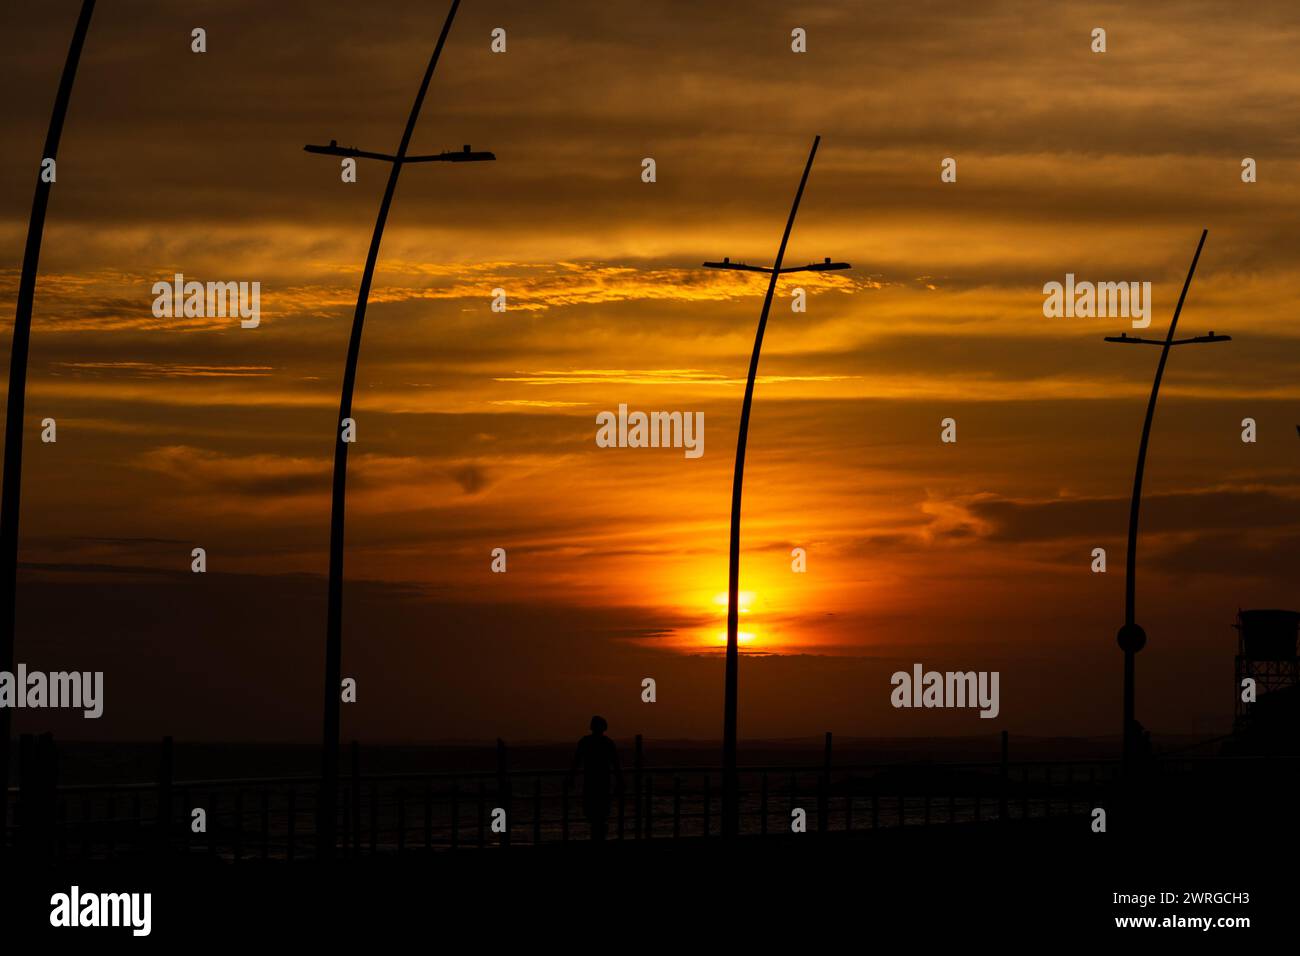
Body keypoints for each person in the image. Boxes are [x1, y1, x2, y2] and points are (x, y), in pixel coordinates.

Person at [567, 715, 622, 841]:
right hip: (602, 783)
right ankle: (599, 838)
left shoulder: (585, 742)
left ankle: (596, 838)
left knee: (593, 815)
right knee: (601, 815)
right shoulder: (608, 743)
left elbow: (576, 762)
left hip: (591, 783)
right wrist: (619, 781)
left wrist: (571, 778)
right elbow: (615, 764)